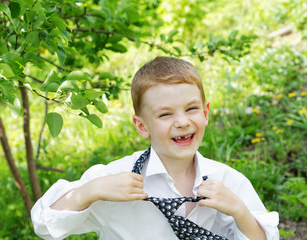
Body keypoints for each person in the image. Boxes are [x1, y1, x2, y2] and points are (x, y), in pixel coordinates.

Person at [31, 57, 279, 240]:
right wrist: (91, 191)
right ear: (142, 125)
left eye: (191, 109)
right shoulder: (114, 179)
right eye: (165, 114)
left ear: (205, 113)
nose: (182, 122)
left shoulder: (227, 181)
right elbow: (43, 224)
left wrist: (239, 211)